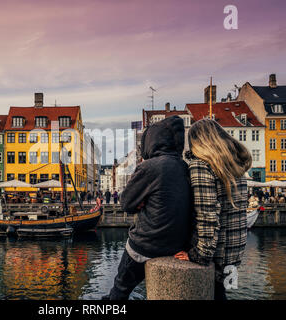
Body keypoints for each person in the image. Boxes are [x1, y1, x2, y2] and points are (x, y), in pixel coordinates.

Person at [103, 115, 191, 300]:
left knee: (120, 288)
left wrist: (141, 202)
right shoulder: (185, 167)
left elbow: (126, 203)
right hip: (175, 246)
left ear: (151, 142)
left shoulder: (150, 167)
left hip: (146, 245)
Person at [175, 119, 251, 301]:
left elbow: (207, 215)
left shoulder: (201, 166)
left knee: (215, 294)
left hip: (217, 252)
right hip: (235, 249)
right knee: (221, 293)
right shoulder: (234, 165)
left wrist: (198, 254)